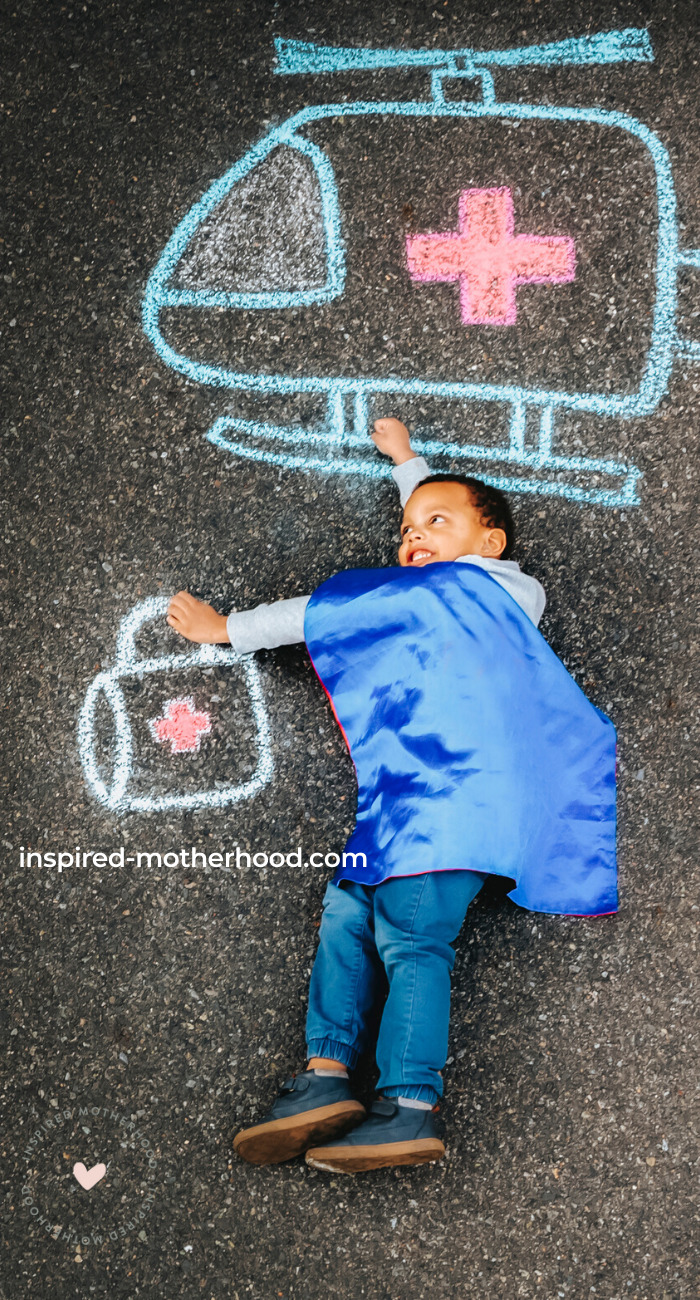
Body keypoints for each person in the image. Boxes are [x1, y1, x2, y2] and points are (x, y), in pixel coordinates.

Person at [166, 418, 617, 1174]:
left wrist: (228, 630)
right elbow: (433, 540)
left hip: (457, 806)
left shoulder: (493, 593)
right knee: (345, 914)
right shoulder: (441, 588)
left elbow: (332, 611)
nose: (414, 537)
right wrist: (410, 466)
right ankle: (326, 1077)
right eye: (407, 530)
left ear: (493, 545)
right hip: (406, 798)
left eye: (436, 525)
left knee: (411, 938)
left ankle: (409, 1104)